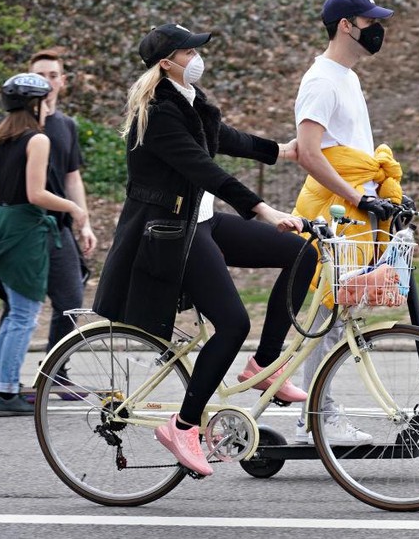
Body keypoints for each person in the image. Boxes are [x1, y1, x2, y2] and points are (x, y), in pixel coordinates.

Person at [92, 23, 317, 476]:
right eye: (188, 50)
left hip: (203, 222)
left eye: (197, 48)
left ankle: (267, 362)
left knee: (301, 252)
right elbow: (202, 168)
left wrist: (280, 151)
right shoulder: (156, 111)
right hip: (172, 233)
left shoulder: (189, 101)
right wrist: (262, 210)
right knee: (232, 323)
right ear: (166, 62)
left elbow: (223, 137)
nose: (197, 56)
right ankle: (184, 425)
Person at [291, 0, 402, 444]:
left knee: (338, 315)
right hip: (337, 212)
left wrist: (379, 197)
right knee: (330, 314)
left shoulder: (348, 78)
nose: (378, 28)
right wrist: (359, 195)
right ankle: (314, 417)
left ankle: (315, 412)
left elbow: (350, 152)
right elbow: (309, 153)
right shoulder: (321, 80)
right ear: (346, 26)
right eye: (370, 20)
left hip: (357, 210)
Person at [0, 73, 87, 416]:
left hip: (1, 223)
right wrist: (74, 208)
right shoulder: (36, 139)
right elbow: (36, 193)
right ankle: (8, 395)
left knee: (14, 313)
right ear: (36, 104)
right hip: (26, 227)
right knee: (24, 314)